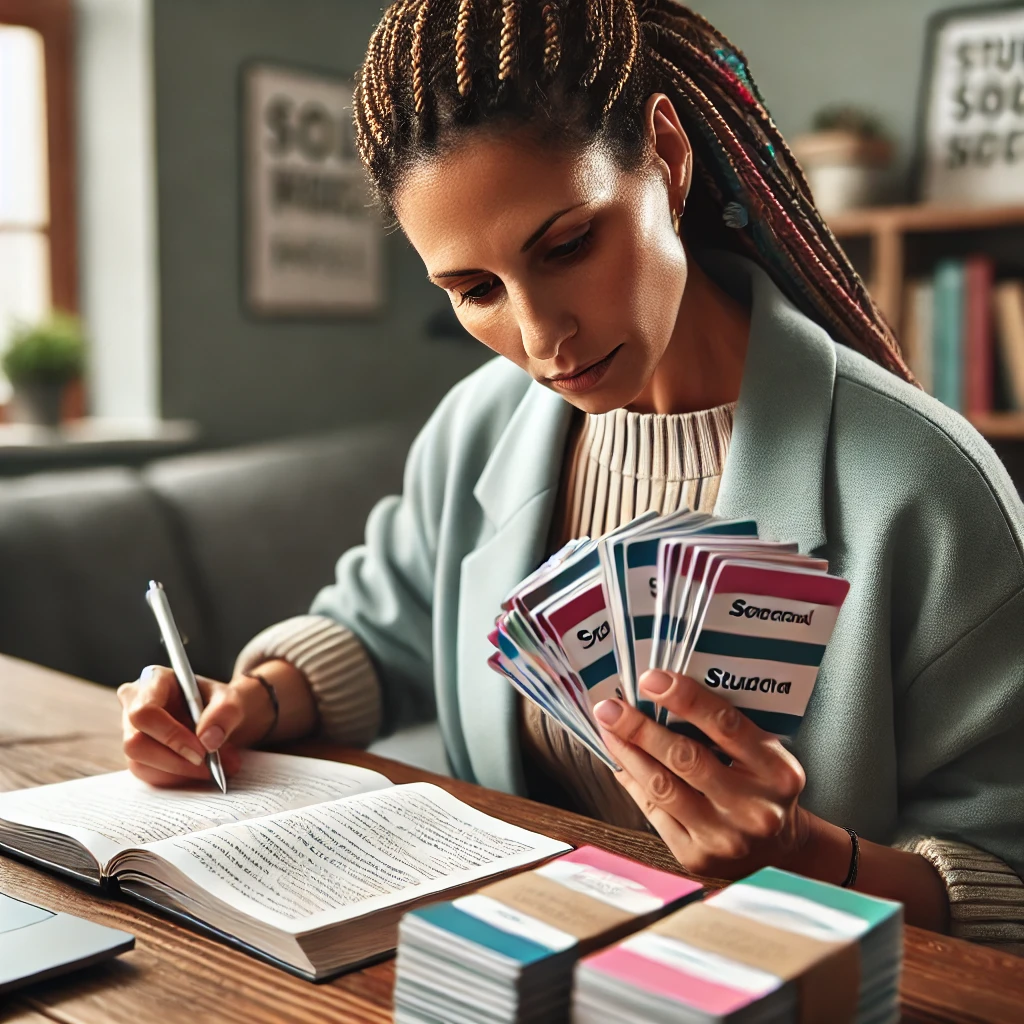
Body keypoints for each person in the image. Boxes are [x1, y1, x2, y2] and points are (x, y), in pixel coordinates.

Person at [118, 0, 1024, 951]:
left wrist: (810, 855)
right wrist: (242, 702)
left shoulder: (928, 488)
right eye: (475, 291)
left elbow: (1005, 877)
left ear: (667, 160)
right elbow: (381, 627)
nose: (542, 339)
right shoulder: (477, 426)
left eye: (567, 246)